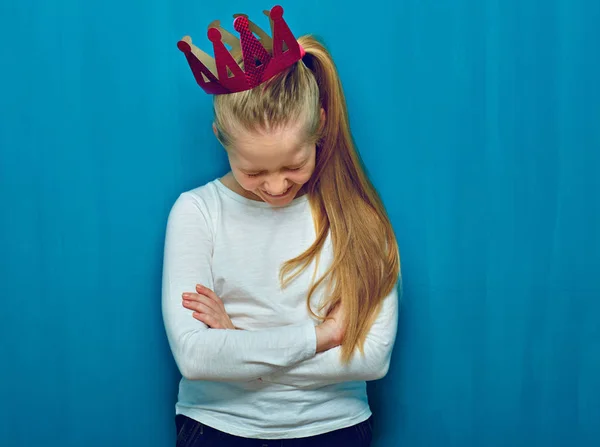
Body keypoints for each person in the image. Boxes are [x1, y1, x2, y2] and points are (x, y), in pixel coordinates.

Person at [162, 5, 401, 446]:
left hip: (334, 429)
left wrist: (237, 344)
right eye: (254, 172)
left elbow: (372, 360)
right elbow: (196, 357)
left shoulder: (361, 221)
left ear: (321, 128)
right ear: (220, 137)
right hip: (219, 428)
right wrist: (324, 336)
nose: (275, 187)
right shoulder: (196, 212)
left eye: (294, 165)